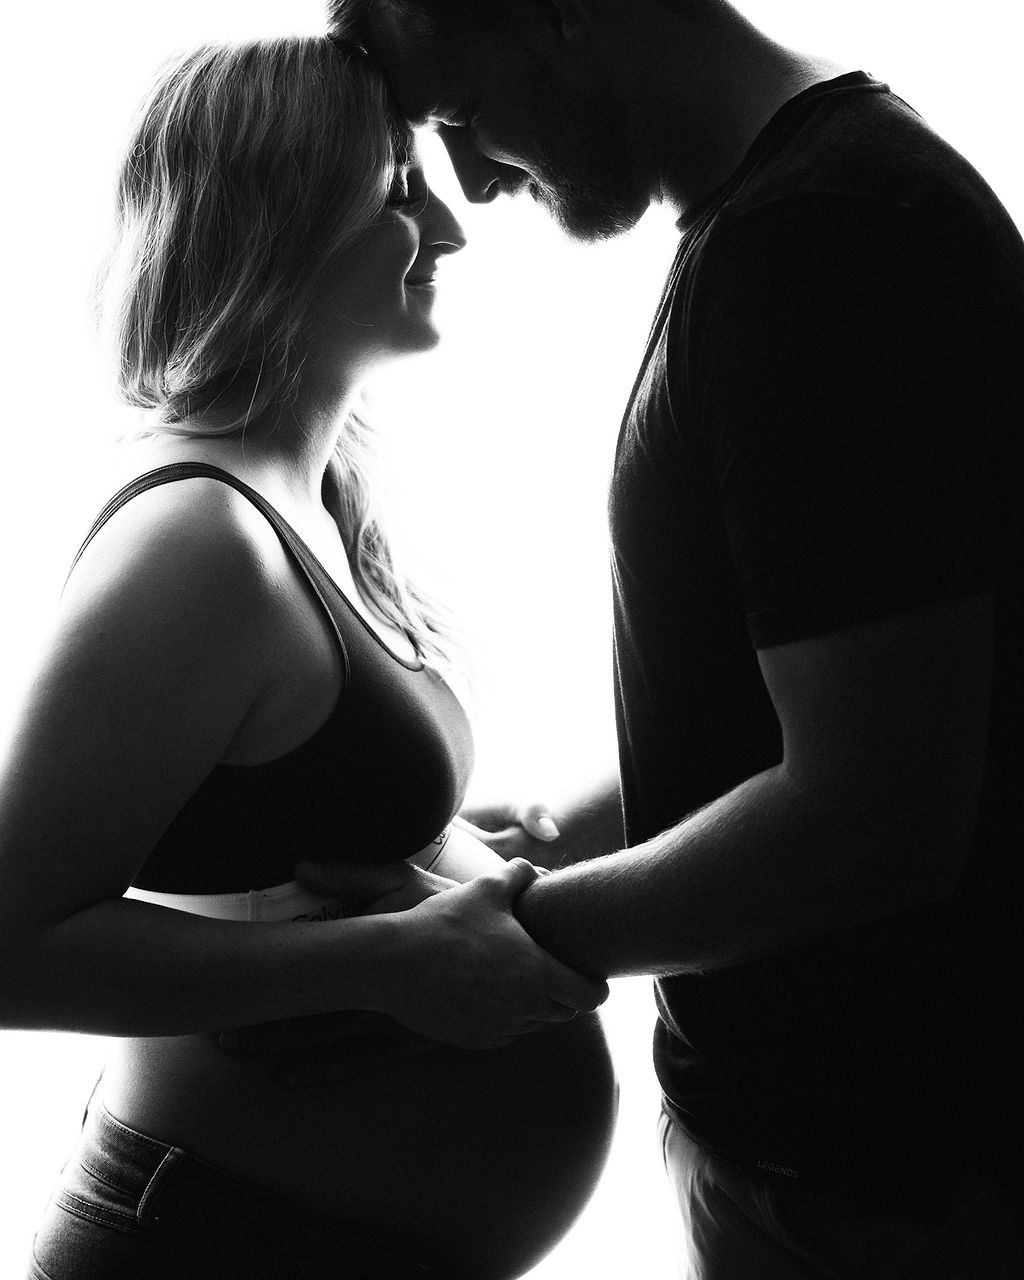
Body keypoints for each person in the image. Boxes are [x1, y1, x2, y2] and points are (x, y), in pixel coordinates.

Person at [260, 1, 1021, 1274]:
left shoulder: (820, 241)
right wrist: (549, 844)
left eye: (457, 118)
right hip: (843, 1177)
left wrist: (493, 946)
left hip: (888, 1195)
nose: (475, 184)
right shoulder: (790, 215)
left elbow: (873, 815)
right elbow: (807, 708)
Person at [0, 34, 617, 1280]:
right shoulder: (200, 535)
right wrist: (386, 960)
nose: (449, 228)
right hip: (208, 1240)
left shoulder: (317, 494)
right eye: (400, 188)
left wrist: (451, 859)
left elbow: (263, 835)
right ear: (276, 216)